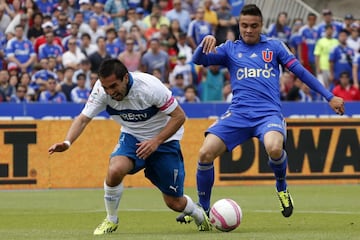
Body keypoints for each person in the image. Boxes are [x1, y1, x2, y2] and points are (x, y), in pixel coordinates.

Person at [176, 4, 345, 226]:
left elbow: (301, 72)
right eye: (244, 25)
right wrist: (203, 44)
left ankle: (282, 187)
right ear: (239, 25)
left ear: (261, 26)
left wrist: (329, 96)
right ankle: (203, 210)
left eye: (253, 26)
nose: (248, 30)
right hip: (238, 114)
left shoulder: (275, 47)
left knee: (275, 148)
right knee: (205, 153)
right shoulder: (229, 49)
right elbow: (200, 60)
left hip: (268, 114)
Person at [48, 59, 212, 235]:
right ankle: (111, 219)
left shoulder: (150, 87)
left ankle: (199, 215)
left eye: (113, 86)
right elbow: (83, 119)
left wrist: (156, 141)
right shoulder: (101, 91)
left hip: (164, 141)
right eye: (106, 88)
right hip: (132, 136)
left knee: (175, 203)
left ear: (125, 78)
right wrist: (67, 142)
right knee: (115, 170)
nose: (110, 92)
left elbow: (179, 116)